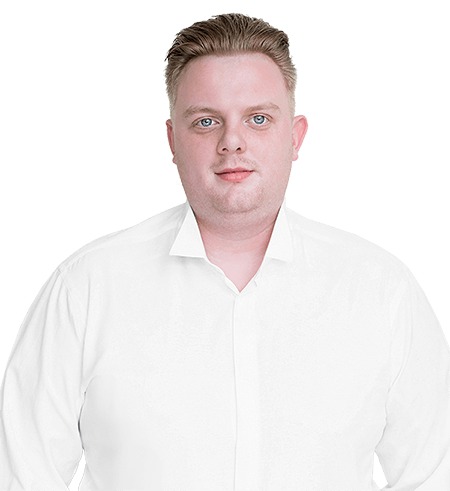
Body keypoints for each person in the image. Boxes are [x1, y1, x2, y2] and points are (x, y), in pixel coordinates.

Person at [1, 12, 449, 491]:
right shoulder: (86, 287)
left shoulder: (382, 289)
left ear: (295, 136)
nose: (231, 142)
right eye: (206, 121)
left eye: (258, 119)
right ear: (172, 140)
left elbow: (433, 475)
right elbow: (24, 476)